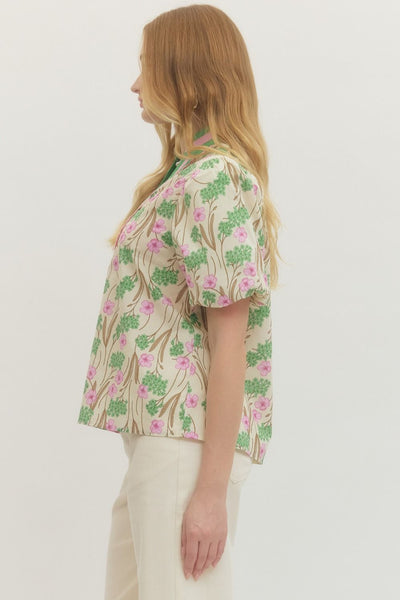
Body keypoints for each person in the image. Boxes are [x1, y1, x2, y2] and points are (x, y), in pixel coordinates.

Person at [77, 4, 283, 599]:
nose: (135, 83)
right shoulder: (184, 176)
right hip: (159, 439)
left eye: (146, 65)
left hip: (184, 446)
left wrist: (210, 493)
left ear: (184, 74)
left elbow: (230, 342)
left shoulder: (214, 179)